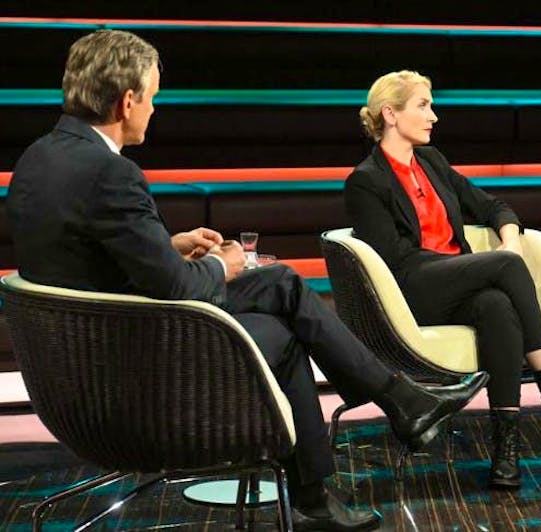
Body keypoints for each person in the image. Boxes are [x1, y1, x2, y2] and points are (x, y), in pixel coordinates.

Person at [8, 31, 489, 532]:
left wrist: (166, 246)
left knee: (283, 283)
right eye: (152, 97)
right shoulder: (112, 173)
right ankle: (359, 447)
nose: (153, 108)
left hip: (75, 356)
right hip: (132, 358)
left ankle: (394, 410)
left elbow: (79, 253)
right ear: (127, 101)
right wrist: (223, 266)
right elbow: (179, 289)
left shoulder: (40, 158)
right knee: (282, 333)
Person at [344, 70, 541, 489]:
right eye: (423, 105)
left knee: (496, 306)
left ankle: (505, 454)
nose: (433, 116)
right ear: (390, 113)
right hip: (411, 291)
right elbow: (392, 260)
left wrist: (508, 242)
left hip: (456, 284)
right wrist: (503, 263)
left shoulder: (432, 162)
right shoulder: (366, 181)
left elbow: (493, 207)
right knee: (505, 270)